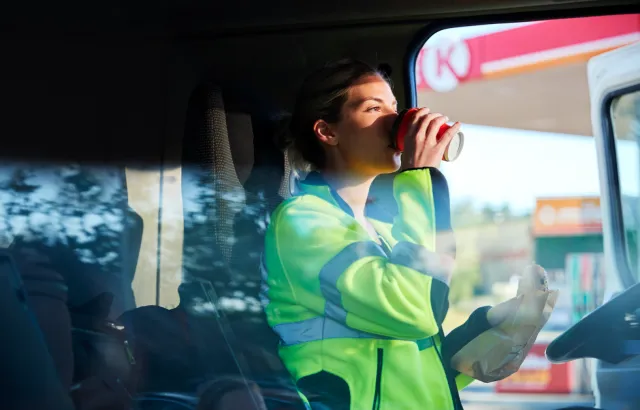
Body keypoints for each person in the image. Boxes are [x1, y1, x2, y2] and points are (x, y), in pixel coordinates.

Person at [260, 58, 514, 410]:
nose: (394, 121)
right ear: (327, 132)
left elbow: (410, 361)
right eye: (373, 108)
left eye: (394, 107)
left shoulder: (386, 230)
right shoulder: (301, 223)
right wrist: (420, 176)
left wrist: (495, 330)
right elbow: (414, 311)